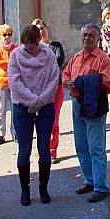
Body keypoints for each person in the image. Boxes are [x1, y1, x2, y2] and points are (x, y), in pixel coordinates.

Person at [7, 25, 60, 206]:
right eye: (26, 43)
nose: (28, 46)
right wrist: (32, 100)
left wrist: (41, 100)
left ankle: (43, 188)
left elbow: (55, 79)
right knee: (24, 150)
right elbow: (14, 82)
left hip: (45, 106)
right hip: (22, 107)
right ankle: (25, 190)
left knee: (44, 147)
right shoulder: (16, 55)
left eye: (32, 43)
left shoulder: (49, 55)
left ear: (38, 40)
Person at [62, 23, 110, 202]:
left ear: (98, 38)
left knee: (96, 147)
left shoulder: (103, 59)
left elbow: (108, 83)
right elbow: (65, 74)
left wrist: (84, 83)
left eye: (91, 35)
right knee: (81, 145)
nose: (87, 38)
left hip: (95, 105)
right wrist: (68, 82)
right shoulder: (76, 57)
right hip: (77, 103)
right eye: (84, 35)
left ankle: (101, 186)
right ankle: (89, 180)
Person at [32, 18, 65, 164]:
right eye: (36, 29)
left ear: (46, 29)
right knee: (39, 122)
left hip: (55, 89)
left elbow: (58, 60)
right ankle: (42, 150)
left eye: (42, 27)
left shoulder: (55, 45)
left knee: (53, 120)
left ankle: (52, 151)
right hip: (37, 91)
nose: (40, 31)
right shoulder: (30, 48)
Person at [0, 24, 15, 145]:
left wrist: (8, 62)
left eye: (9, 34)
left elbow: (17, 62)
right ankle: (1, 134)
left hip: (14, 82)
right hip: (0, 82)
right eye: (4, 35)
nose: (7, 37)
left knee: (14, 108)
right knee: (1, 109)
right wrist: (9, 62)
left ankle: (15, 132)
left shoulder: (15, 48)